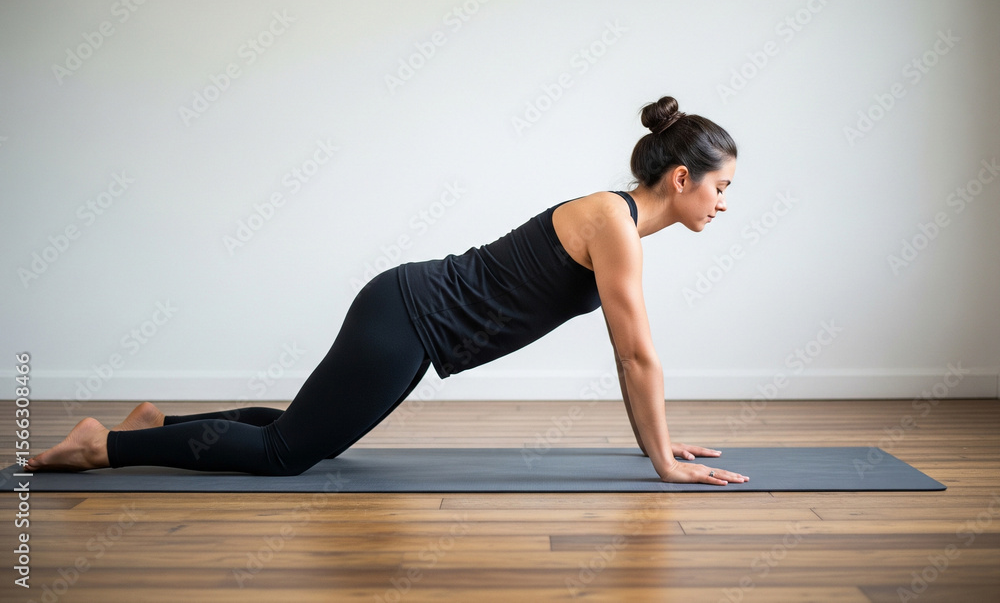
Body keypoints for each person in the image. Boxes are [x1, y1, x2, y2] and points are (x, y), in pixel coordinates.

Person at [27, 95, 747, 486]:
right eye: (721, 187)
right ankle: (103, 447)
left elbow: (630, 357)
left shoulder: (617, 223)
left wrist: (657, 445)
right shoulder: (613, 223)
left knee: (308, 433)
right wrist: (662, 461)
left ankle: (154, 424)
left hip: (411, 321)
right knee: (285, 454)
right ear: (682, 178)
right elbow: (636, 355)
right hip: (408, 316)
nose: (723, 203)